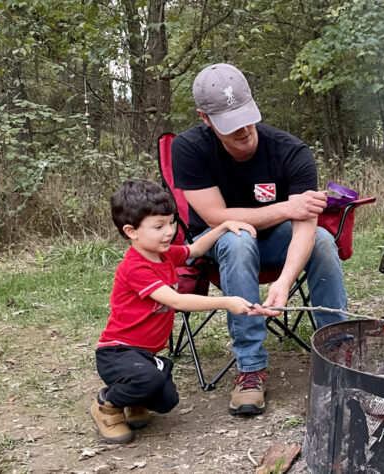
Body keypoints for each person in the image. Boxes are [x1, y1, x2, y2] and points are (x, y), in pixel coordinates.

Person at [171, 63, 348, 416]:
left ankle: (338, 354)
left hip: (279, 242)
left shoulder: (291, 151)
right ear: (205, 118)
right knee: (238, 237)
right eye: (228, 122)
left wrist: (284, 281)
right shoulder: (188, 148)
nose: (243, 129)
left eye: (246, 116)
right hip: (219, 243)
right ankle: (250, 369)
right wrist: (286, 207)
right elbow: (217, 218)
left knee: (325, 241)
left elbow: (305, 227)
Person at [91, 179, 262, 443]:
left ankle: (134, 401)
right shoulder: (136, 267)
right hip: (117, 352)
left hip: (144, 355)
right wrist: (227, 301)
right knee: (149, 380)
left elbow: (194, 249)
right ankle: (107, 404)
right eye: (158, 226)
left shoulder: (164, 255)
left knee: (166, 400)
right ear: (131, 231)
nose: (169, 231)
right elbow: (178, 301)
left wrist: (223, 227)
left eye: (171, 222)